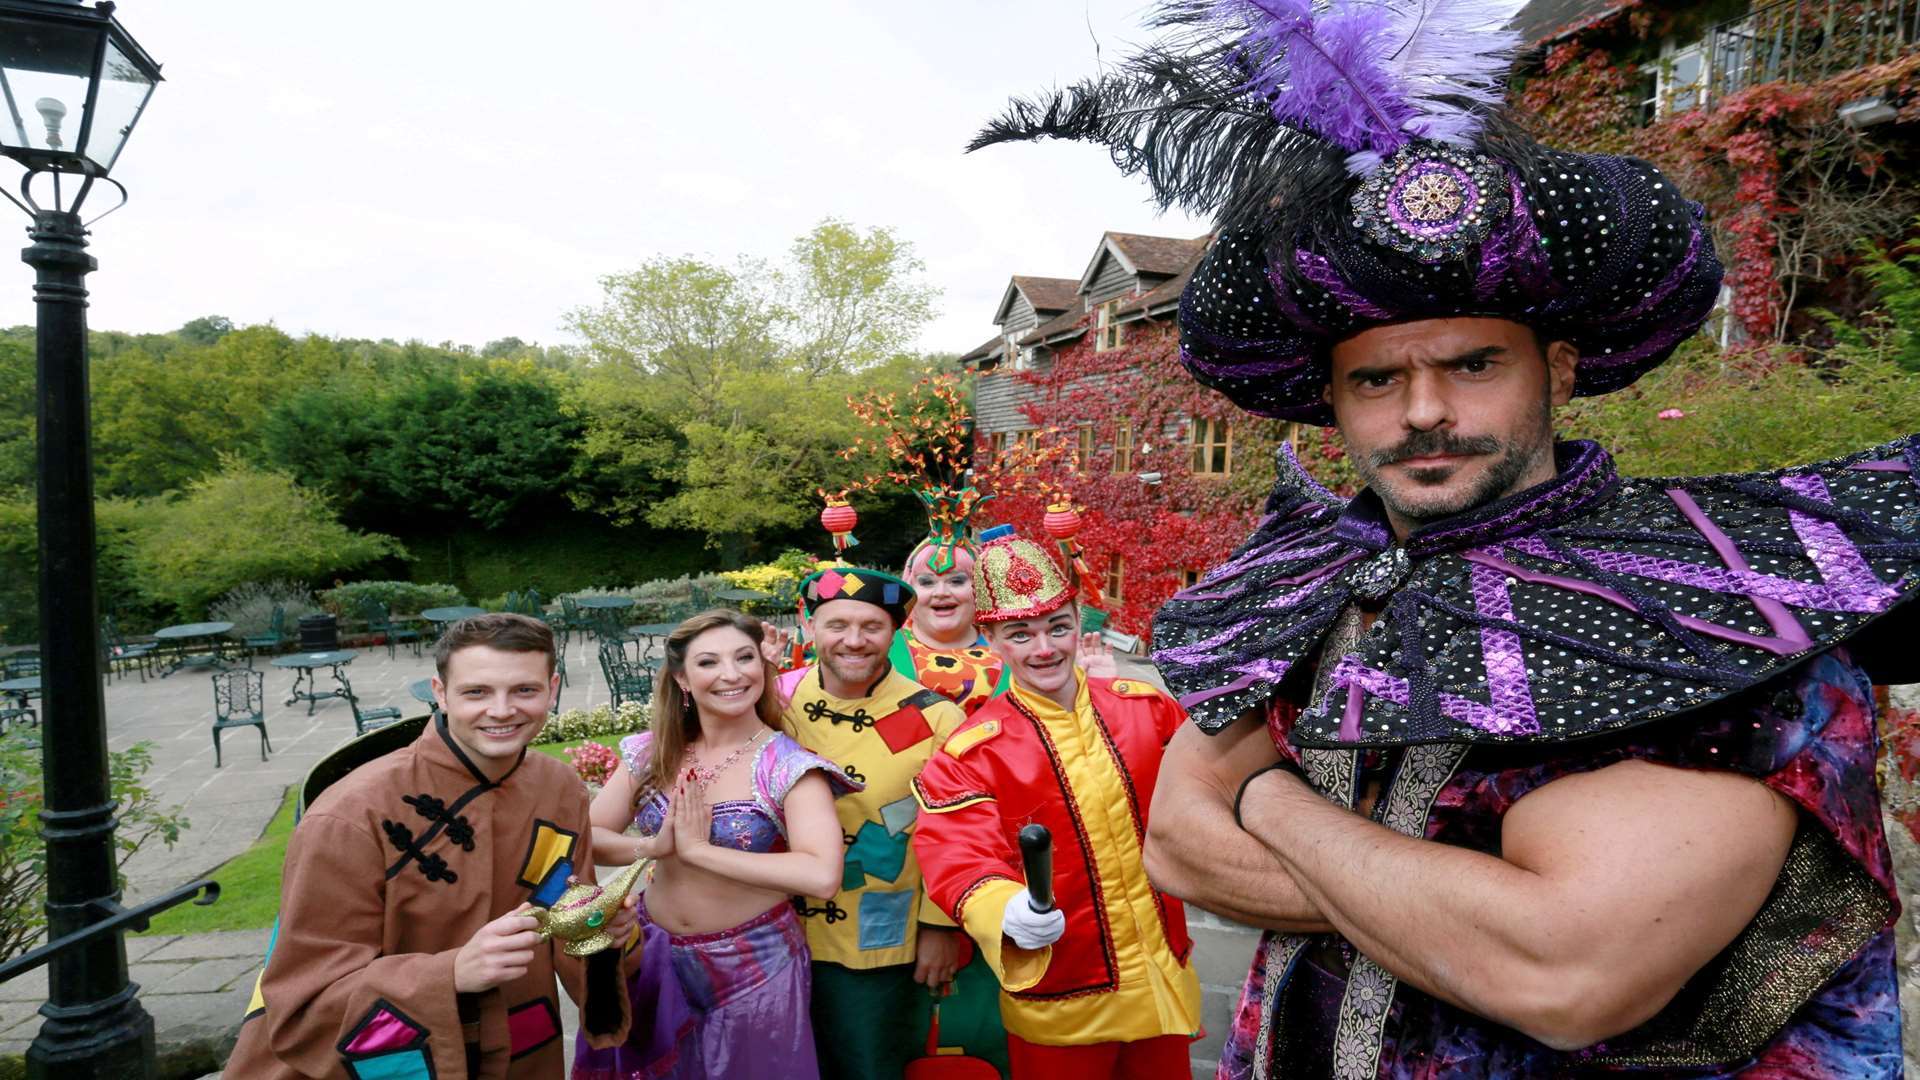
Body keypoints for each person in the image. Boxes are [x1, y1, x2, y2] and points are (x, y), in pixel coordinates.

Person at [973, 4, 1920, 1077]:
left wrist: (1262, 793)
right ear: (1330, 403)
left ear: (1557, 370)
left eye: (1474, 365)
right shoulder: (1308, 579)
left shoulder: (1729, 592)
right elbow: (1178, 846)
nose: (1423, 412)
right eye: (1377, 378)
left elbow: (1562, 974)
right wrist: (1445, 897)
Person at [225, 614, 633, 1078]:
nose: (502, 710)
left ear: (553, 688)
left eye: (524, 690)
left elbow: (564, 907)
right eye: (476, 692)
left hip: (522, 1048)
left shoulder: (559, 788)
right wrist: (451, 974)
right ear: (439, 692)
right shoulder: (348, 817)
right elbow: (303, 1003)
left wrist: (600, 930)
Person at [912, 526, 1202, 1078]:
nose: (1044, 649)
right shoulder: (970, 752)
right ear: (991, 640)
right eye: (1020, 634)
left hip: (1163, 980)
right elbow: (955, 854)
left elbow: (1208, 794)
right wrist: (1004, 908)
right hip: (1062, 993)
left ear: (1077, 625)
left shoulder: (1148, 710)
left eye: (1058, 628)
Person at [574, 609, 858, 1080]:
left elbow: (821, 875)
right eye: (709, 663)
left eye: (744, 658)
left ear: (762, 670)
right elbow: (590, 837)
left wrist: (701, 852)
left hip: (754, 968)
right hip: (653, 957)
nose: (731, 674)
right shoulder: (651, 753)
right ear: (683, 678)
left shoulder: (787, 766)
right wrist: (655, 847)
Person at [783, 564, 971, 1080]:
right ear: (809, 626)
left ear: (895, 633)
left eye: (872, 627)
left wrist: (939, 926)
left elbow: (956, 832)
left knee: (869, 1067)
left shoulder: (936, 718)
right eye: (837, 624)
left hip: (880, 936)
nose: (854, 641)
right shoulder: (773, 702)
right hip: (774, 929)